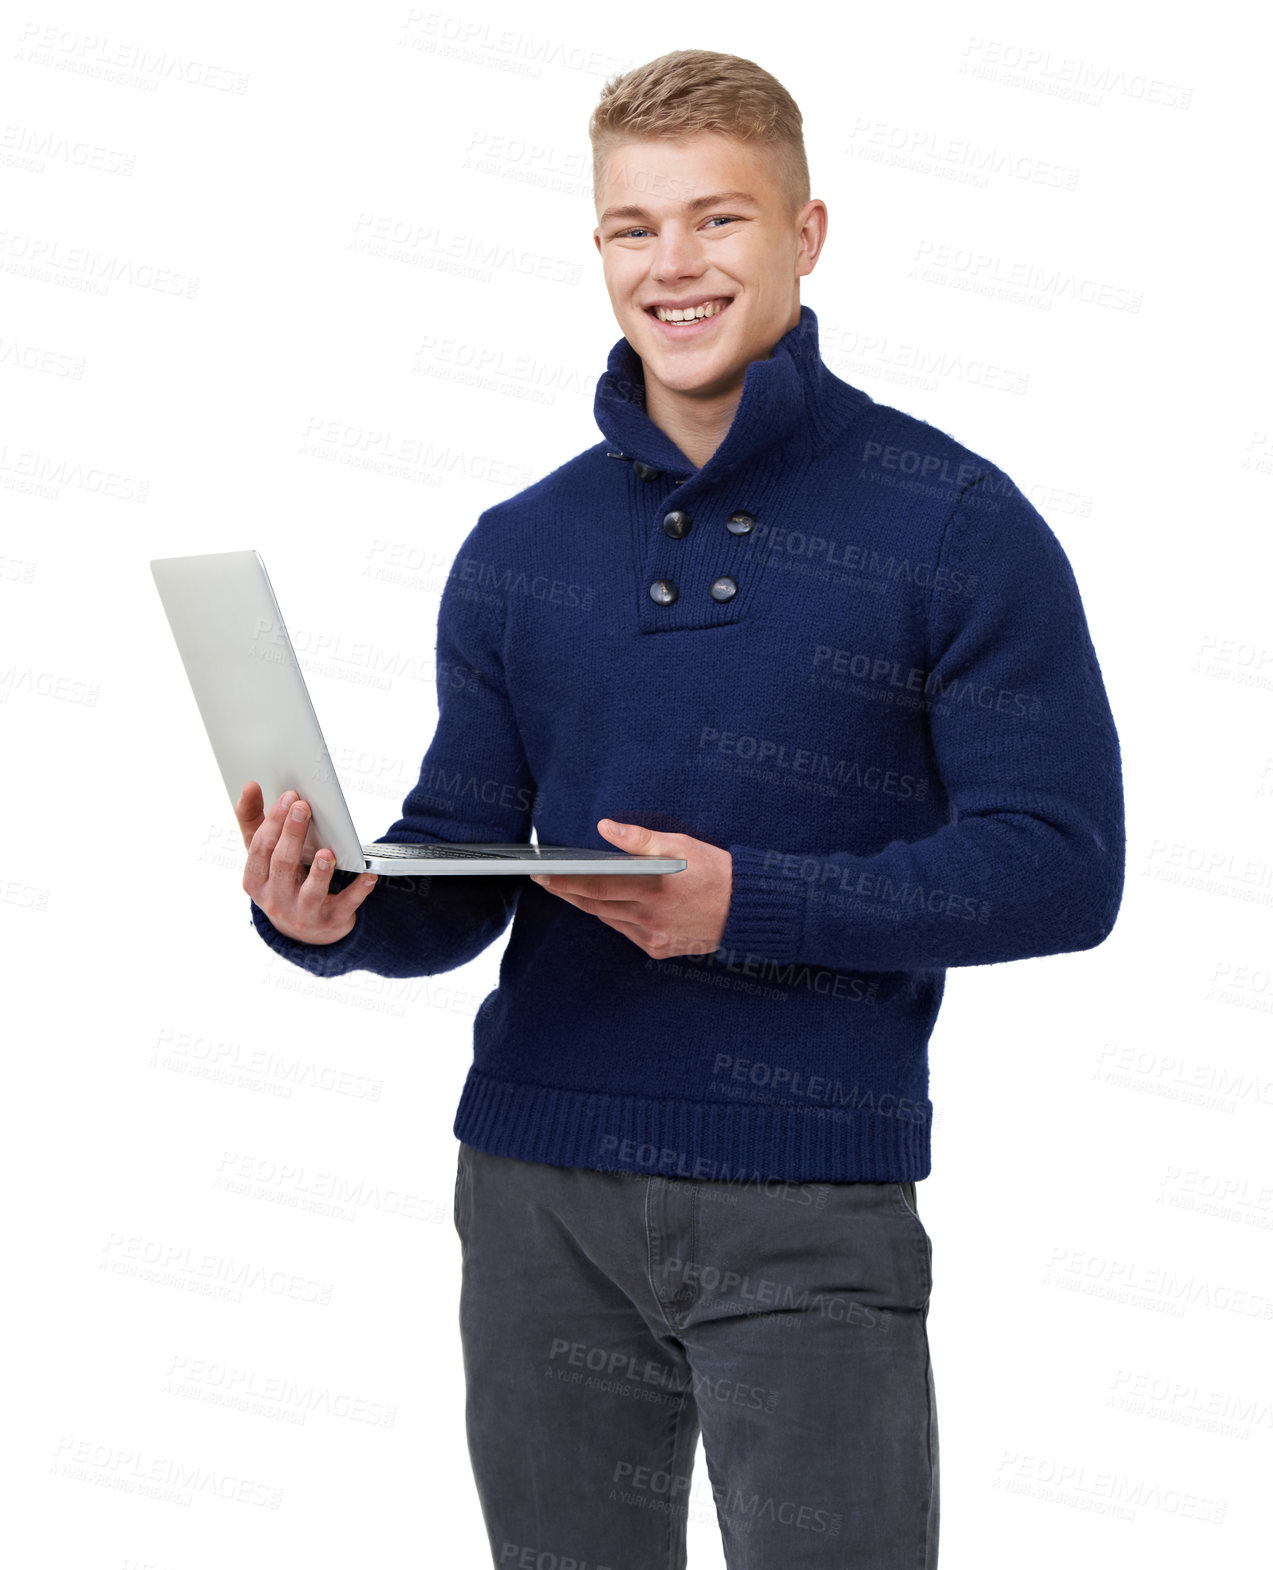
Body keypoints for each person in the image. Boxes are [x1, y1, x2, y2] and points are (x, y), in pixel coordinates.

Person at [235, 49, 1125, 1570]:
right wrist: (335, 911)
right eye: (631, 228)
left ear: (806, 232)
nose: (673, 266)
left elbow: (1059, 867)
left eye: (716, 219)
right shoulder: (518, 544)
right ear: (596, 248)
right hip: (534, 1192)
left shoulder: (954, 522)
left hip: (808, 1195)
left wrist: (750, 902)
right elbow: (465, 853)